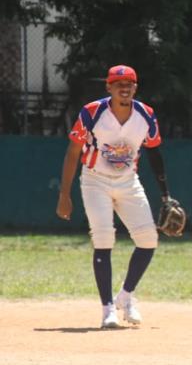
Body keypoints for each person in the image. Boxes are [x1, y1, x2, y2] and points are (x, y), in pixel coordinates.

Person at [56, 65, 174, 329]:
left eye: (129, 83)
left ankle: (126, 296)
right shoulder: (92, 112)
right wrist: (64, 194)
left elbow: (155, 153)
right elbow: (73, 152)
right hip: (95, 180)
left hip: (128, 181)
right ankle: (107, 308)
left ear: (135, 88)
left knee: (148, 239)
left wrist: (165, 195)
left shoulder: (145, 115)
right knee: (103, 238)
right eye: (118, 83)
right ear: (108, 87)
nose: (124, 87)